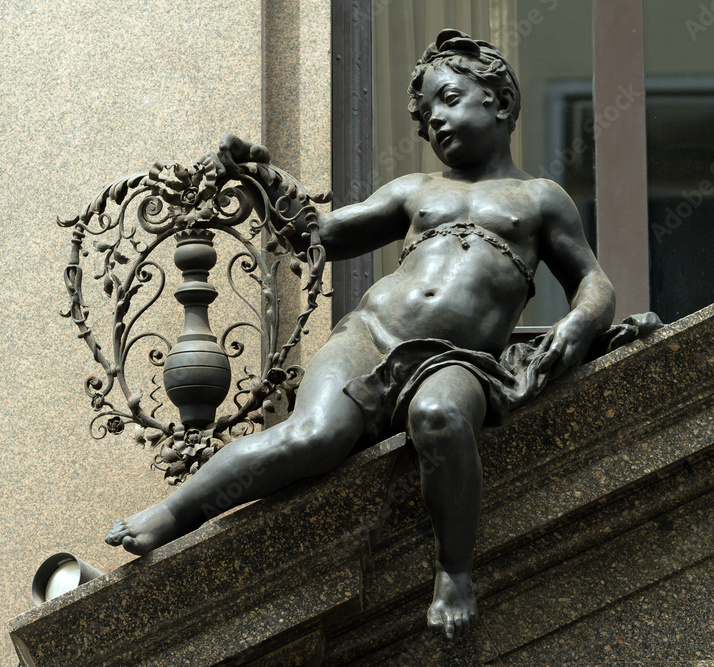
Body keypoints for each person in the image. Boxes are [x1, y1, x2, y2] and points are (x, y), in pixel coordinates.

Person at [106, 30, 615, 641]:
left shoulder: (540, 199)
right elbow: (319, 232)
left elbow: (593, 281)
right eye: (427, 118)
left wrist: (580, 322)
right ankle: (173, 512)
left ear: (500, 103)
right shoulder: (416, 190)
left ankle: (453, 570)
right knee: (314, 436)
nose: (437, 123)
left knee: (442, 419)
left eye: (450, 100)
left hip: (456, 360)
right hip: (370, 336)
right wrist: (262, 179)